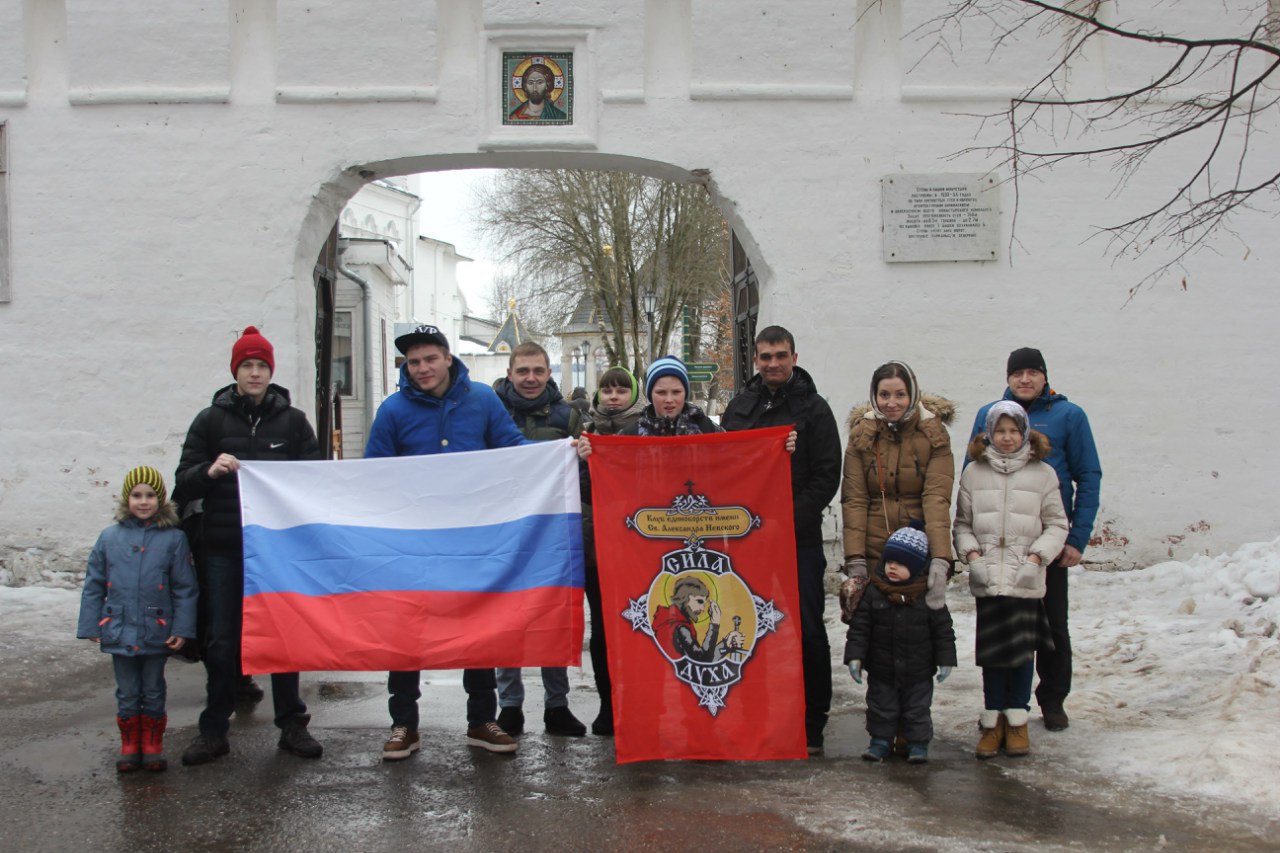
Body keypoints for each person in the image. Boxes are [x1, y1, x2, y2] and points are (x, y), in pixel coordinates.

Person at [364, 324, 530, 758]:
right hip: (412, 543)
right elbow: (373, 476)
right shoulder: (392, 411)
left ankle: (481, 719)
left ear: (447, 357)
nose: (421, 369)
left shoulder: (482, 400)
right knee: (407, 629)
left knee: (476, 626)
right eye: (413, 362)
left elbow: (513, 452)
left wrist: (561, 453)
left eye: (429, 359)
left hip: (472, 539)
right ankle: (403, 723)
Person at [174, 326, 324, 765]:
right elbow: (182, 480)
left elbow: (314, 481)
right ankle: (214, 729)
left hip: (277, 552)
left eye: (261, 365)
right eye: (247, 365)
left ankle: (292, 725)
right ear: (235, 371)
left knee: (283, 636)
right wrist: (210, 471)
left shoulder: (293, 422)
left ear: (270, 371)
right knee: (221, 640)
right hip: (223, 546)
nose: (254, 373)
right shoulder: (211, 420)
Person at [720, 326, 842, 755]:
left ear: (794, 356)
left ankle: (813, 719)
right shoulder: (739, 407)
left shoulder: (815, 409)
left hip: (798, 541)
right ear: (755, 359)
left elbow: (827, 475)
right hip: (746, 544)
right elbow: (725, 465)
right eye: (765, 356)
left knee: (807, 630)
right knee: (748, 629)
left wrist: (786, 523)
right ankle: (759, 709)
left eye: (781, 355)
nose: (773, 363)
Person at [968, 347, 1101, 731]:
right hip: (997, 547)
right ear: (1007, 378)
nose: (1025, 379)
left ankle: (1053, 699)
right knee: (999, 629)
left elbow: (1088, 475)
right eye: (1017, 373)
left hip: (1046, 543)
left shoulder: (1068, 416)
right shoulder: (990, 415)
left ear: (1044, 376)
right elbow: (972, 476)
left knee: (1052, 625)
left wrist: (1076, 538)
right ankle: (1000, 706)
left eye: (1032, 372)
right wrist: (975, 544)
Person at [956, 401, 1069, 757]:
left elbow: (1056, 523)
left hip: (1025, 576)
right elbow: (962, 522)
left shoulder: (1043, 473)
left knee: (1021, 653)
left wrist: (1038, 557)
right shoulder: (974, 472)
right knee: (993, 654)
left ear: (1025, 433)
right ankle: (994, 722)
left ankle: (1017, 721)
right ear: (989, 433)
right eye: (1000, 431)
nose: (1007, 438)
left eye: (1014, 431)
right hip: (988, 575)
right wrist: (972, 555)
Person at [492, 341, 586, 738]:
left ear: (549, 374)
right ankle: (509, 706)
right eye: (522, 371)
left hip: (552, 534)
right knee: (505, 620)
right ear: (510, 374)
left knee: (552, 616)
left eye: (538, 371)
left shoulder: (569, 417)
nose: (530, 378)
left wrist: (582, 455)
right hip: (504, 531)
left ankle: (556, 705)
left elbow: (584, 474)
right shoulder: (492, 415)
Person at [77, 467, 198, 773]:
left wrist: (182, 628)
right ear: (127, 498)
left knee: (154, 688)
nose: (143, 502)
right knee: (128, 690)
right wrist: (91, 624)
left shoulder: (174, 539)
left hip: (155, 630)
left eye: (151, 495)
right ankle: (130, 745)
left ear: (161, 499)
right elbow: (94, 583)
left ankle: (153, 745)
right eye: (137, 495)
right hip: (118, 629)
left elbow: (185, 588)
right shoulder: (109, 537)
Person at [841, 361, 955, 612]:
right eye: (884, 395)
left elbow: (936, 498)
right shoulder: (862, 436)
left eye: (900, 394)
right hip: (874, 549)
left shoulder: (933, 435)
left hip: (917, 550)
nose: (891, 403)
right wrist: (856, 560)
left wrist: (939, 558)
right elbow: (855, 499)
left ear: (912, 395)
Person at [844, 521, 956, 764]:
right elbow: (860, 629)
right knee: (881, 706)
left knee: (917, 708)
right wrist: (855, 656)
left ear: (916, 567)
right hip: (882, 666)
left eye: (901, 563)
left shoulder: (928, 595)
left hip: (918, 668)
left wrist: (946, 660)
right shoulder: (874, 592)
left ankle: (918, 744)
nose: (892, 567)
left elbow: (943, 631)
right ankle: (880, 742)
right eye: (889, 562)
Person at [578, 365, 646, 735]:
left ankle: (638, 704)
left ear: (633, 394)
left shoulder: (647, 428)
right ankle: (608, 705)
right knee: (603, 632)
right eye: (608, 390)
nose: (614, 396)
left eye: (622, 389)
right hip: (596, 549)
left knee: (639, 630)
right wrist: (587, 460)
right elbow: (584, 491)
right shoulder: (587, 431)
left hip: (638, 550)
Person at [652, 576, 747, 663]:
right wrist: (714, 624)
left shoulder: (671, 621)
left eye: (704, 603)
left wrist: (726, 644)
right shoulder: (680, 628)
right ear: (684, 598)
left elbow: (700, 659)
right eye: (699, 601)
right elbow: (702, 661)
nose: (702, 608)